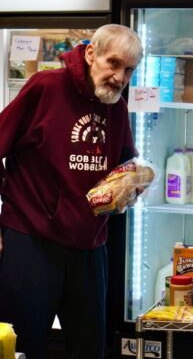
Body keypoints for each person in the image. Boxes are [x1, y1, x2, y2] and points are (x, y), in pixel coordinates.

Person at [0, 24, 144, 359]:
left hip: (89, 246)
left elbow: (125, 164)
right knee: (21, 347)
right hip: (32, 240)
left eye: (129, 70)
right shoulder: (46, 87)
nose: (120, 77)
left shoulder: (117, 106)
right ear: (91, 53)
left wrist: (131, 187)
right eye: (113, 63)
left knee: (89, 347)